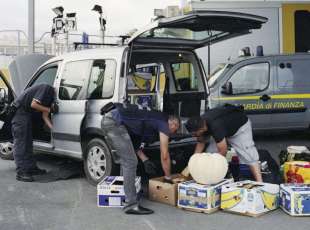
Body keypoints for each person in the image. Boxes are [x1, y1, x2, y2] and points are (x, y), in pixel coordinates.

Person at [105, 103, 180, 214]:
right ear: (173, 123)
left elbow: (134, 145)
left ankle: (125, 196)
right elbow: (164, 155)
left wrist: (145, 159)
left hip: (113, 121)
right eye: (175, 129)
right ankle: (131, 205)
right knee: (130, 162)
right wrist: (168, 177)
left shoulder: (150, 120)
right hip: (114, 122)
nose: (174, 133)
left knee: (127, 160)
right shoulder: (163, 122)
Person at [185, 104, 262, 182]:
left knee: (248, 155)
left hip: (239, 126)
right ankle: (216, 178)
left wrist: (211, 164)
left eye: (195, 134)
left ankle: (260, 183)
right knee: (210, 153)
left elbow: (223, 151)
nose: (194, 136)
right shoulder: (199, 123)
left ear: (201, 129)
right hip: (224, 127)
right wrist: (192, 163)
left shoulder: (216, 126)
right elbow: (200, 144)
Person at [11, 84, 55, 182]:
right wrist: (50, 109)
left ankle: (31, 168)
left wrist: (54, 130)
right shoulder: (47, 89)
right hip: (20, 113)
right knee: (21, 144)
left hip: (26, 115)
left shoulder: (50, 99)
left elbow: (45, 116)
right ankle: (21, 172)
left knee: (28, 143)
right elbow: (33, 104)